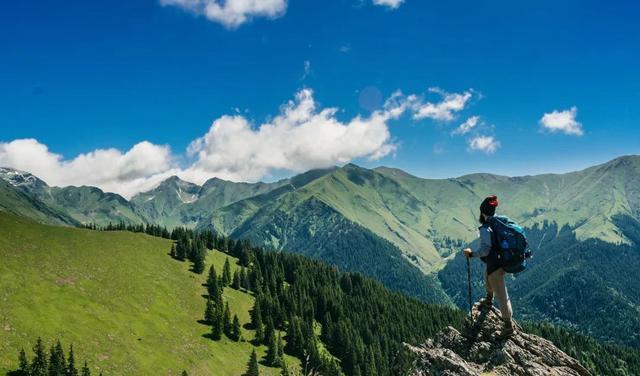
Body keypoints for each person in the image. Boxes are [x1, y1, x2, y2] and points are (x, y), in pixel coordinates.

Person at [463, 195, 515, 338]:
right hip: (500, 262)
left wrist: (471, 254)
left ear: (483, 212)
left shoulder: (486, 228)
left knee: (502, 296)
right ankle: (488, 299)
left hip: (496, 266)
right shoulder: (499, 221)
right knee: (487, 276)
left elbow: (485, 250)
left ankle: (508, 326)